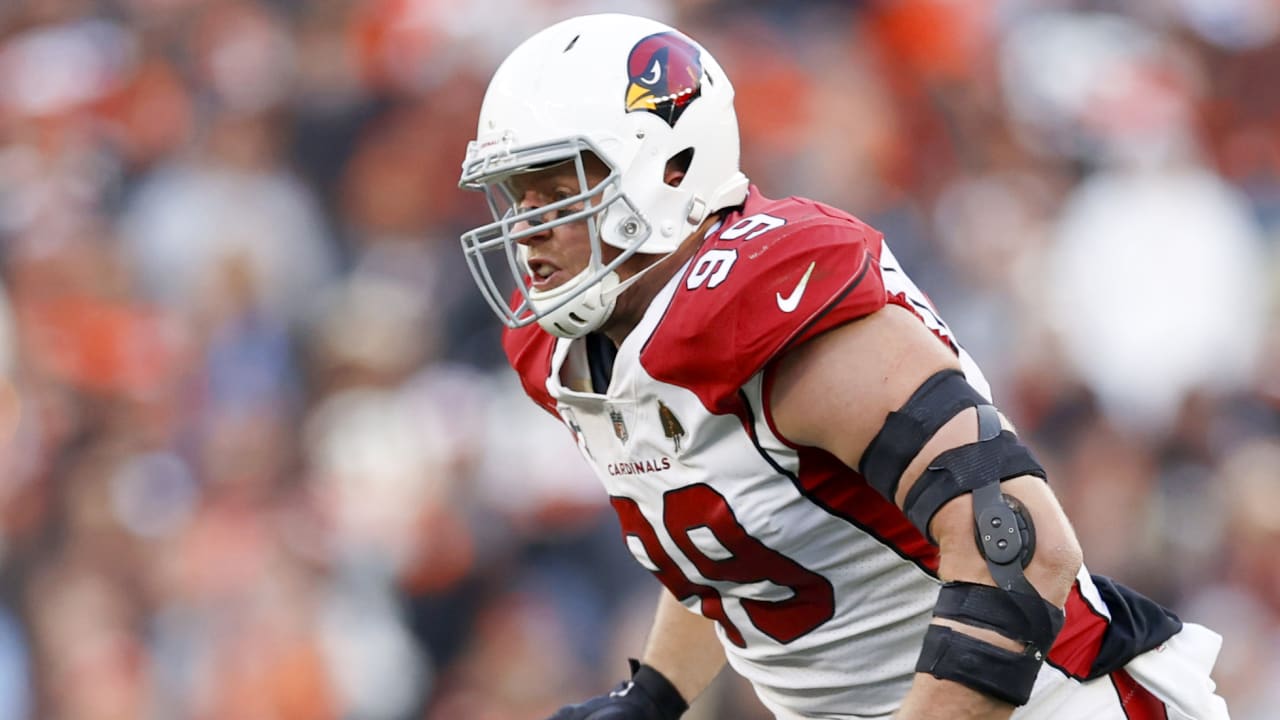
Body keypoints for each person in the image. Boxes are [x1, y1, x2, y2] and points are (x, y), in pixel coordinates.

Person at [456, 13, 1232, 720]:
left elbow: (1018, 545)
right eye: (515, 199)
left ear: (667, 170)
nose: (528, 231)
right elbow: (727, 535)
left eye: (557, 192)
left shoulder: (765, 309)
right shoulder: (581, 347)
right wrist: (655, 693)